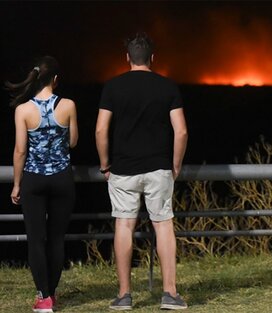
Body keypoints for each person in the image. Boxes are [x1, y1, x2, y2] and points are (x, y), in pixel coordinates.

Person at [95, 32, 188, 311]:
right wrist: (176, 164)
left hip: (123, 170)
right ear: (152, 58)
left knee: (124, 224)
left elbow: (101, 129)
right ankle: (170, 294)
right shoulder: (168, 87)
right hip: (159, 168)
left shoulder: (113, 87)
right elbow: (181, 131)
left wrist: (104, 164)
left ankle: (124, 295)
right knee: (163, 225)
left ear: (127, 58)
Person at [6, 56, 78, 313]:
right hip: (62, 179)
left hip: (34, 180)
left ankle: (43, 297)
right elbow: (72, 142)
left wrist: (16, 185)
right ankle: (52, 293)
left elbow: (19, 150)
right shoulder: (68, 105)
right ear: (56, 80)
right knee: (57, 238)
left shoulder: (22, 110)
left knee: (36, 239)